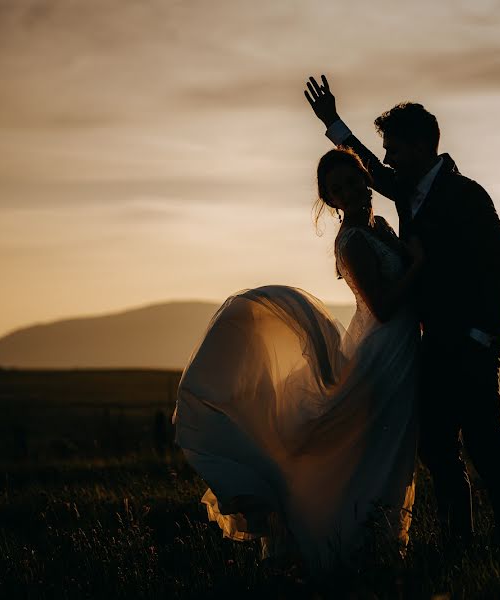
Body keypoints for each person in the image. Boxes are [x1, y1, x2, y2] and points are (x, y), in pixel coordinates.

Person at [172, 148, 424, 569]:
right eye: (337, 190)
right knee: (380, 451)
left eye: (353, 181)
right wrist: (418, 266)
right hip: (383, 353)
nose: (350, 191)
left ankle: (379, 549)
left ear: (367, 180)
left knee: (393, 452)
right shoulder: (353, 242)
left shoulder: (379, 227)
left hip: (402, 350)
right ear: (331, 201)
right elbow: (381, 306)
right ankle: (350, 548)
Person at [304, 75, 500, 546]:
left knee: (485, 445)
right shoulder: (407, 191)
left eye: (394, 149)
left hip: (472, 343)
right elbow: (371, 174)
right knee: (438, 449)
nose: (386, 159)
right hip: (431, 343)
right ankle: (458, 545)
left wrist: (482, 335)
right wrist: (333, 124)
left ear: (422, 146)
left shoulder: (468, 195)